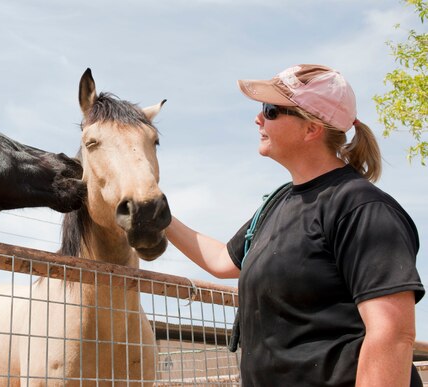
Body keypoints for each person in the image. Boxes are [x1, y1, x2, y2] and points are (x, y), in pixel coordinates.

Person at [167, 64, 424, 386]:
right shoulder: (279, 203)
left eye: (271, 110)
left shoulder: (361, 208)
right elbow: (223, 262)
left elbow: (392, 334)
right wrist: (162, 218)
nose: (257, 118)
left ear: (312, 129)